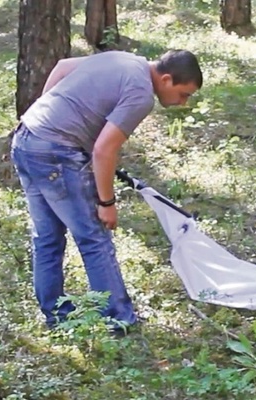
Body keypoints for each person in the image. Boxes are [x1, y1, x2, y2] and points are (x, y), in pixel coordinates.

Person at [11, 49, 203, 332]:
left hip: (26, 139)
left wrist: (46, 114)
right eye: (184, 94)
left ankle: (56, 316)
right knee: (94, 238)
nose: (183, 103)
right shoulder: (141, 95)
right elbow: (103, 150)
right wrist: (106, 202)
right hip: (55, 153)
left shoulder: (125, 59)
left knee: (47, 238)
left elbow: (63, 67)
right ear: (165, 78)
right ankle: (118, 320)